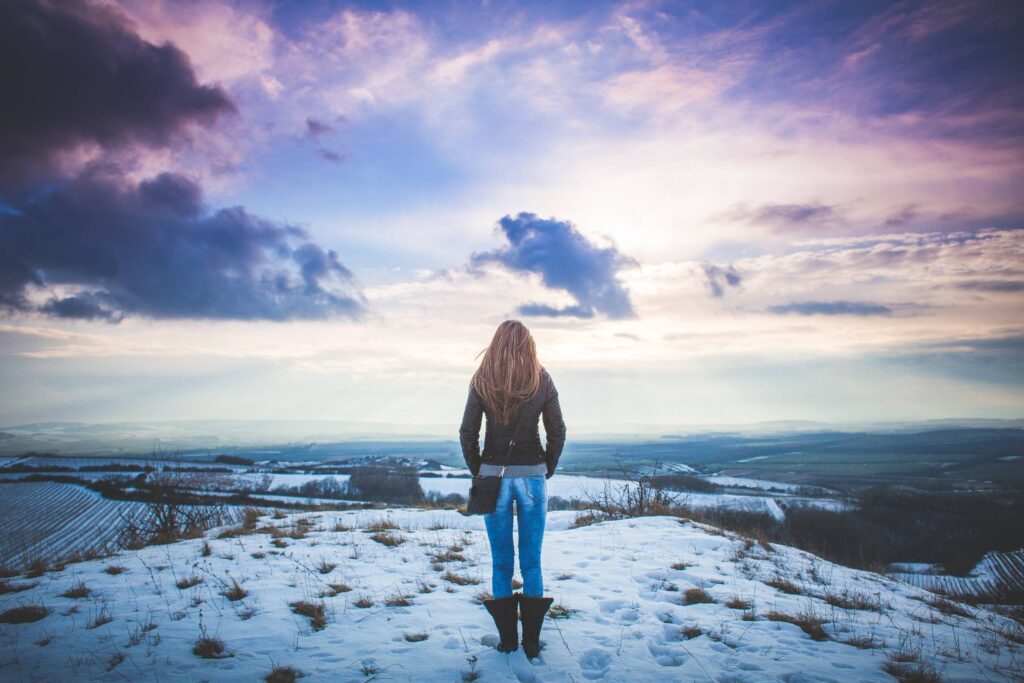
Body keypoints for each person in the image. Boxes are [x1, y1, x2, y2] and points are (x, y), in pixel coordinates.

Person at [459, 319, 567, 660]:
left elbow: (466, 432)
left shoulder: (482, 379)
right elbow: (558, 430)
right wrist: (546, 467)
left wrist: (480, 470)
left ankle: (508, 640)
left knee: (502, 561)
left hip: (494, 477)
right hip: (532, 475)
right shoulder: (541, 378)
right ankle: (531, 642)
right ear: (528, 345)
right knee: (531, 562)